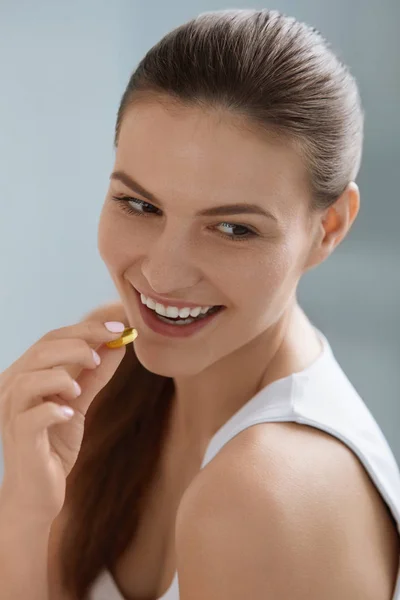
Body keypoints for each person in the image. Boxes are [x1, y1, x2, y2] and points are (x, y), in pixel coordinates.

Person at [0, 7, 399, 600]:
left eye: (234, 229)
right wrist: (30, 505)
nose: (161, 274)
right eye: (140, 205)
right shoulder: (110, 374)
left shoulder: (263, 495)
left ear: (329, 227)